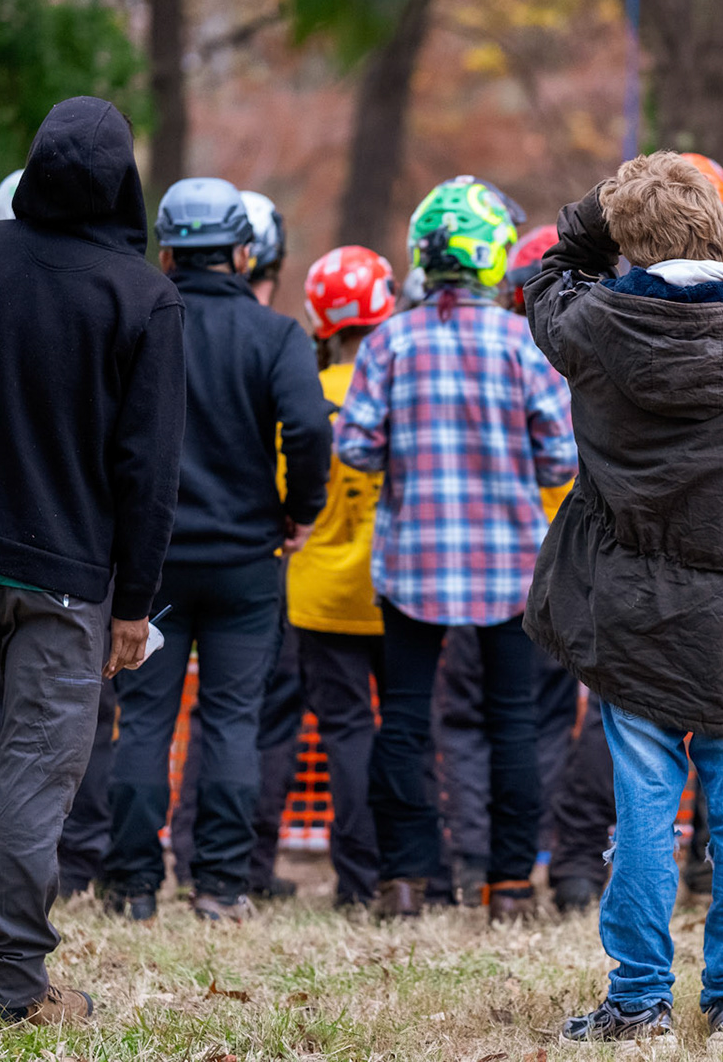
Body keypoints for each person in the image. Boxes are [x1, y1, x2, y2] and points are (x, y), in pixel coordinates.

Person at [527, 152, 723, 1052]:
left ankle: (637, 1001)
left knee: (641, 808)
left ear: (627, 241)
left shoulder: (593, 325)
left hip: (625, 605)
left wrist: (600, 212)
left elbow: (547, 274)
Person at [0, 96, 186, 1025]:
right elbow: (148, 471)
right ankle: (14, 990)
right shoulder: (143, 296)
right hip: (70, 579)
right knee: (34, 778)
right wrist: (134, 602)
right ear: (122, 183)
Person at [336, 176, 577, 923]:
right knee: (514, 723)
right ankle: (508, 887)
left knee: (404, 719)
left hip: (411, 567)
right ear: (492, 257)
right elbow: (561, 461)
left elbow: (357, 451)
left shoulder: (388, 342)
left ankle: (406, 879)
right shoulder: (522, 344)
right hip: (509, 570)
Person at [102, 177, 330, 924]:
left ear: (166, 249)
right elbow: (308, 427)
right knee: (233, 719)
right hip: (245, 560)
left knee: (143, 719)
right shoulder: (276, 335)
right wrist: (300, 510)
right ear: (241, 250)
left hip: (149, 563)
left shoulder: (136, 321)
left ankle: (133, 886)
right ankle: (221, 887)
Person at [272, 245, 396, 908]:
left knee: (347, 732)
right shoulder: (401, 389)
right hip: (401, 589)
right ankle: (409, 869)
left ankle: (357, 882)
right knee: (407, 728)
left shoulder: (304, 396)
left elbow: (286, 489)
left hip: (319, 594)